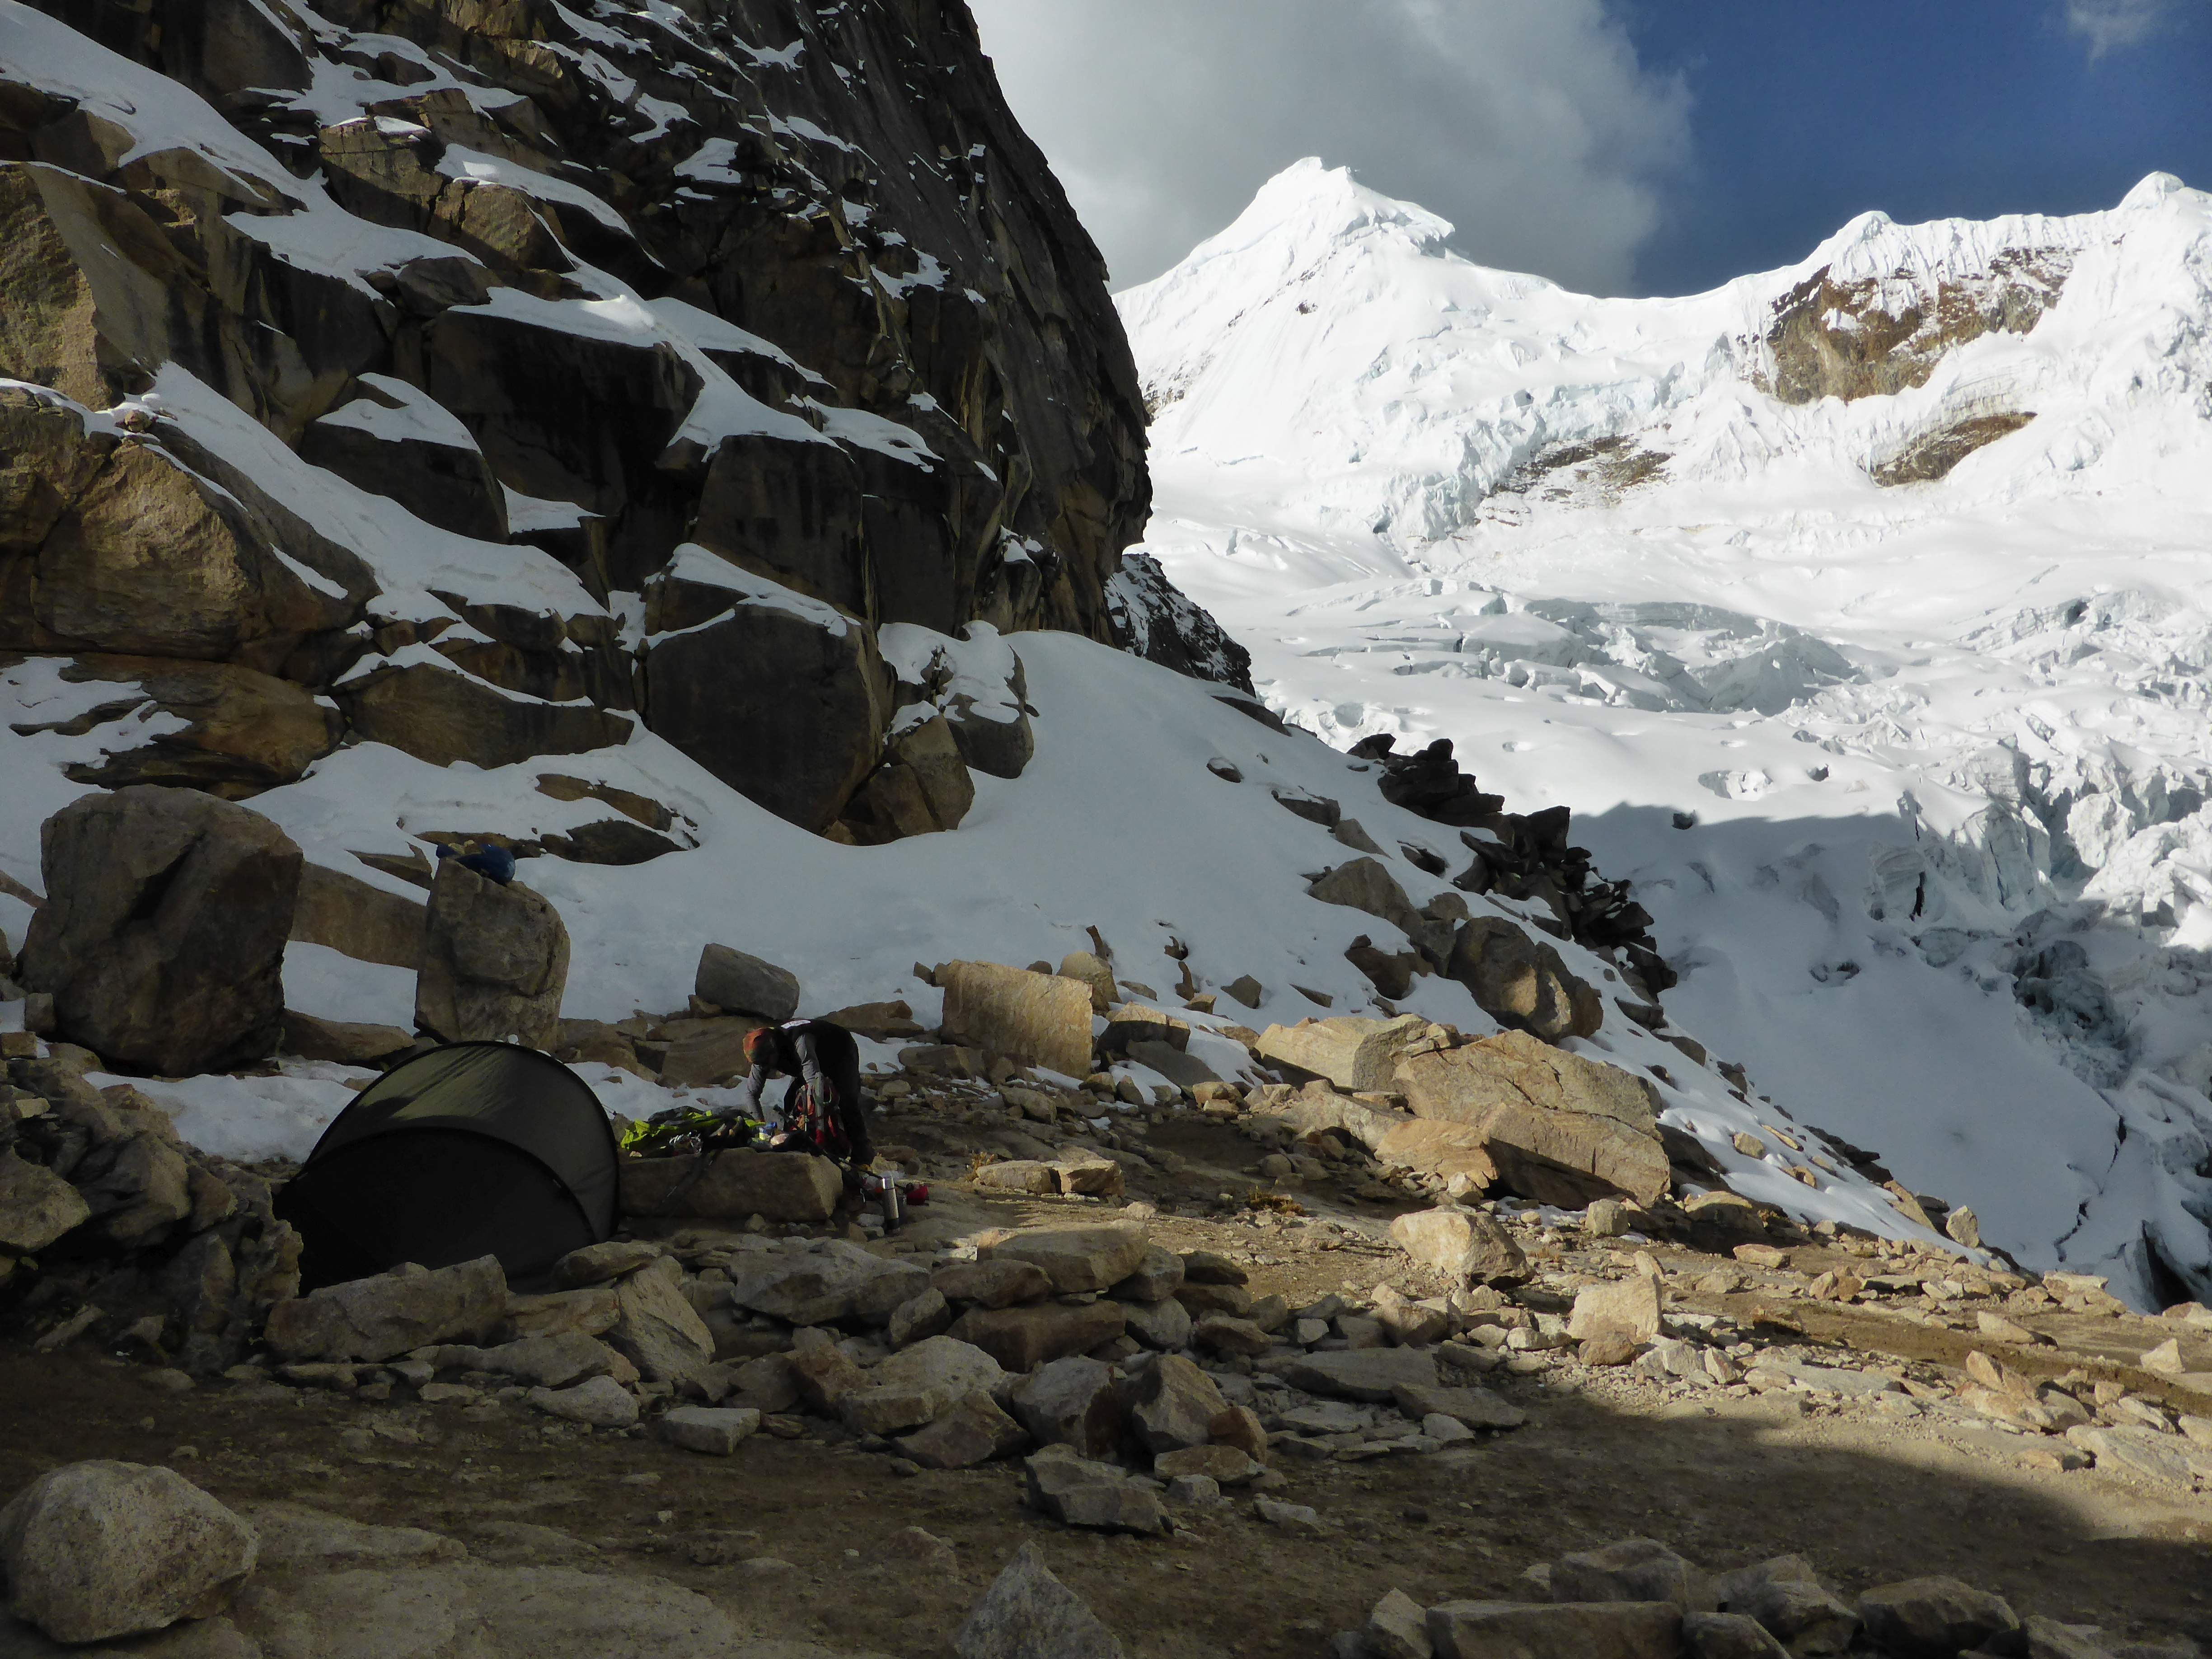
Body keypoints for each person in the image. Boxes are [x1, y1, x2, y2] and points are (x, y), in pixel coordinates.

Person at [727, 1018, 874, 1167]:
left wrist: (819, 1134)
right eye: (761, 1064)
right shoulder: (761, 1057)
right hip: (806, 1061)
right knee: (791, 1101)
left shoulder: (801, 1042)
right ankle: (795, 1143)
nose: (765, 1067)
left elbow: (816, 1086)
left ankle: (862, 1156)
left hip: (839, 1051)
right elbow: (752, 1094)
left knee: (846, 1102)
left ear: (774, 1050)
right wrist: (761, 1126)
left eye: (767, 1062)